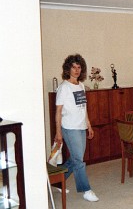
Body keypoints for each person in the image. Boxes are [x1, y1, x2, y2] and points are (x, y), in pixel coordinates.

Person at [54, 54, 99, 202]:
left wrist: (89, 125)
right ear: (68, 69)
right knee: (79, 160)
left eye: (79, 67)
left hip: (80, 126)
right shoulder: (63, 88)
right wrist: (58, 133)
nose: (76, 70)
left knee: (75, 158)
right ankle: (85, 189)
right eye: (73, 67)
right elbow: (58, 112)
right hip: (69, 127)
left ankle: (56, 180)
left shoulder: (80, 86)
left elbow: (83, 108)